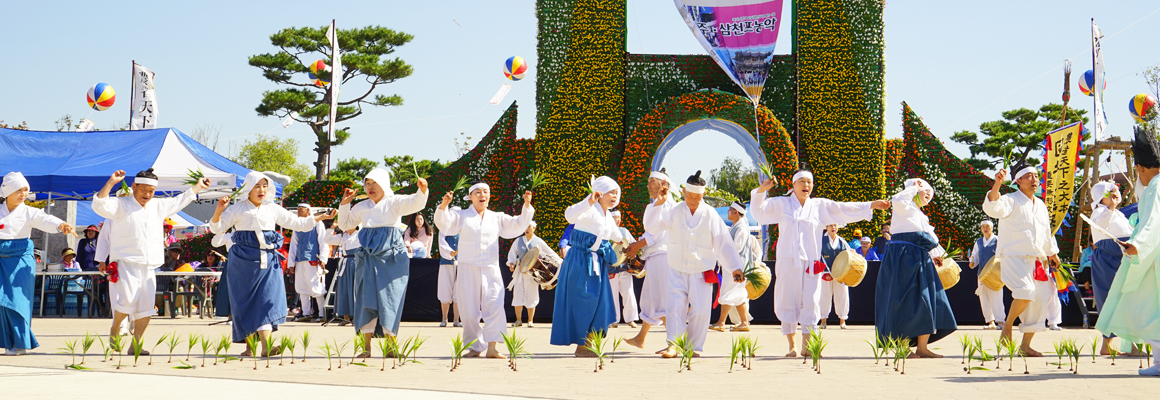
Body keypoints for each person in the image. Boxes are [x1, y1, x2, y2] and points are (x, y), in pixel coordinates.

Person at [750, 170, 889, 356]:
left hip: (811, 262)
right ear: (793, 185)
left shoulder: (819, 206)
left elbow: (842, 209)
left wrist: (870, 205)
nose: (806, 185)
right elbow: (759, 213)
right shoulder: (782, 203)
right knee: (787, 299)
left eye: (809, 182)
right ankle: (791, 347)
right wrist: (761, 191)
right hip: (787, 260)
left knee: (811, 300)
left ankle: (807, 347)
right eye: (801, 182)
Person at [210, 171, 332, 357]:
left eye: (265, 186)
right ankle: (250, 347)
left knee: (266, 301)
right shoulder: (237, 208)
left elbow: (297, 222)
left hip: (268, 262)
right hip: (243, 263)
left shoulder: (272, 208)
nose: (261, 190)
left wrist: (319, 217)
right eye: (257, 186)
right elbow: (217, 229)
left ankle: (266, 347)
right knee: (246, 302)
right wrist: (219, 209)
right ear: (249, 188)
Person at [93, 168, 208, 352]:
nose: (147, 194)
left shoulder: (157, 206)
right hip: (126, 263)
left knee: (146, 308)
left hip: (149, 265)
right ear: (134, 186)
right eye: (143, 189)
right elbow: (99, 205)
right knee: (127, 300)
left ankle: (136, 345)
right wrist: (111, 183)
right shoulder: (121, 205)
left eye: (151, 191)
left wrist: (197, 187)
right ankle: (115, 328)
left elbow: (179, 200)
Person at [646, 171, 746, 358]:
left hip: (701, 271)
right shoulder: (674, 210)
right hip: (676, 268)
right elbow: (652, 227)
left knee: (700, 312)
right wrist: (658, 204)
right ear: (684, 192)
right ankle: (673, 345)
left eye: (698, 197)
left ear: (702, 195)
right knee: (675, 308)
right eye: (690, 196)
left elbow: (723, 242)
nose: (693, 200)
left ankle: (694, 347)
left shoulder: (710, 214)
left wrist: (735, 267)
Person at [336, 168, 428, 357]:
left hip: (392, 258)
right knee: (366, 299)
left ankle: (391, 347)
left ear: (384, 184)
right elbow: (345, 225)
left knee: (391, 299)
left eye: (374, 183)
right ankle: (366, 348)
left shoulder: (394, 202)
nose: (370, 187)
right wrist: (345, 204)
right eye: (367, 184)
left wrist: (422, 189)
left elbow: (415, 202)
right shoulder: (362, 206)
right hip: (368, 257)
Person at [435, 182, 533, 359]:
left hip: (490, 267)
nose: (482, 195)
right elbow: (445, 224)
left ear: (489, 196)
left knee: (495, 305)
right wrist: (444, 206)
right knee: (469, 310)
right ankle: (474, 347)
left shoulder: (497, 217)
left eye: (486, 192)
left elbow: (517, 224)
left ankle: (493, 347)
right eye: (478, 192)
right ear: (470, 197)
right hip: (467, 268)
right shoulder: (462, 215)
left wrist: (526, 206)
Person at [982, 162, 1061, 357]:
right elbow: (992, 207)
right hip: (1013, 256)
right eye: (1029, 176)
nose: (1035, 180)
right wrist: (997, 184)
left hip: (1036, 259)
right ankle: (1007, 326)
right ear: (1018, 180)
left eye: (1036, 176)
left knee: (1040, 300)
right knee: (1025, 292)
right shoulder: (1010, 199)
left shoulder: (1040, 204)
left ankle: (1025, 346)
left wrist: (1052, 253)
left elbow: (1045, 232)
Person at [875, 178, 957, 358]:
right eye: (925, 190)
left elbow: (930, 237)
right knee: (903, 300)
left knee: (926, 300)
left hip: (921, 257)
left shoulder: (921, 216)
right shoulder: (903, 207)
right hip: (902, 257)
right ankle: (904, 347)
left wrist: (939, 255)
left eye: (931, 192)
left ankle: (922, 347)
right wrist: (912, 188)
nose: (928, 194)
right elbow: (897, 199)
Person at [0, 172, 74, 355]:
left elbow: (45, 219)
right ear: (7, 191)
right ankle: (7, 340)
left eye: (26, 190)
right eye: (19, 190)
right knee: (1, 301)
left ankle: (20, 343)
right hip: (1, 258)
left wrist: (61, 225)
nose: (23, 194)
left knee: (17, 301)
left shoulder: (29, 211)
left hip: (20, 261)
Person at [551, 176, 623, 357]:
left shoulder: (608, 217)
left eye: (616, 192)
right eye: (610, 192)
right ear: (599, 193)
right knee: (584, 301)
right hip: (580, 261)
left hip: (597, 264)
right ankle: (582, 346)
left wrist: (632, 246)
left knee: (601, 303)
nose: (614, 196)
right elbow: (569, 215)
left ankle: (589, 343)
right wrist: (588, 201)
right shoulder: (590, 210)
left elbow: (618, 237)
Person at [1087, 180, 1142, 355]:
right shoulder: (1099, 211)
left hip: (1124, 255)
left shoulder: (1117, 213)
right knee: (1110, 298)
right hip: (1107, 256)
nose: (1114, 194)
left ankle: (1130, 346)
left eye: (1116, 190)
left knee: (1129, 298)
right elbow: (1101, 223)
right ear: (1100, 197)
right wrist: (1111, 206)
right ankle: (1107, 345)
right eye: (1109, 192)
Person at [623, 170, 673, 350]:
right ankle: (641, 338)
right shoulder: (656, 204)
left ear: (663, 185)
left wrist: (637, 246)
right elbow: (650, 231)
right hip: (656, 255)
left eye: (652, 181)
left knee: (662, 301)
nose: (648, 185)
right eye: (648, 181)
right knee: (650, 300)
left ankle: (674, 343)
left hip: (663, 256)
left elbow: (657, 234)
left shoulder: (667, 205)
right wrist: (637, 244)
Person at [712, 201, 761, 332]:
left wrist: (723, 251)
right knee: (739, 296)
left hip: (736, 266)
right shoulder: (736, 227)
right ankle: (744, 322)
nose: (728, 212)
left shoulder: (741, 228)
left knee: (728, 292)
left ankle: (721, 322)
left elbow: (737, 247)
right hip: (734, 265)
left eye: (729, 210)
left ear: (736, 212)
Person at [506, 221, 560, 328]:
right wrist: (511, 264)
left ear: (534, 228)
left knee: (532, 295)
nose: (527, 229)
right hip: (520, 272)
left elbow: (549, 252)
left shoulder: (538, 241)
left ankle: (530, 321)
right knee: (518, 295)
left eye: (529, 226)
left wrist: (560, 261)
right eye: (526, 226)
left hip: (533, 273)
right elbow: (512, 254)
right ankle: (518, 320)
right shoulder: (518, 240)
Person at [288, 203, 331, 322]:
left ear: (308, 210)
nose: (298, 211)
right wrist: (291, 263)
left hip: (313, 260)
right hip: (300, 260)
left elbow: (323, 241)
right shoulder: (297, 226)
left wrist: (323, 259)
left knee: (316, 287)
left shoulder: (317, 223)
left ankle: (322, 314)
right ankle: (306, 313)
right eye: (297, 209)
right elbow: (293, 245)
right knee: (302, 287)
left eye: (300, 209)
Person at [968, 220, 1004, 330]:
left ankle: (1001, 321)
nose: (985, 228)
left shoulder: (998, 240)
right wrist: (972, 262)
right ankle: (990, 322)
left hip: (995, 274)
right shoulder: (979, 242)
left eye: (987, 226)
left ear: (992, 228)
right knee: (984, 297)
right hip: (982, 274)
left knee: (996, 297)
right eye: (983, 226)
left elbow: (1003, 255)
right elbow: (975, 256)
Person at [608, 210, 639, 329]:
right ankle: (613, 320)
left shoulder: (624, 231)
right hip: (610, 268)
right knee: (612, 294)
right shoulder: (606, 231)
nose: (618, 220)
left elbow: (633, 244)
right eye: (616, 217)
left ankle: (631, 319)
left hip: (624, 267)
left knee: (628, 292)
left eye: (619, 217)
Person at [324, 226, 360, 326]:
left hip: (357, 263)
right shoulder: (343, 235)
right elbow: (327, 240)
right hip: (345, 263)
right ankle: (345, 317)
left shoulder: (360, 234)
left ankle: (357, 318)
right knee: (343, 289)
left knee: (355, 289)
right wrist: (331, 228)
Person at [818, 224, 851, 329]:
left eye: (835, 226)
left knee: (842, 295)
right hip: (825, 273)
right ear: (826, 227)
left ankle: (842, 320)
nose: (833, 228)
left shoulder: (842, 241)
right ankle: (823, 320)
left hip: (840, 273)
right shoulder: (820, 240)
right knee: (824, 296)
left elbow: (849, 255)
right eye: (831, 226)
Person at [437, 228, 461, 327]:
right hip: (446, 263)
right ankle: (444, 318)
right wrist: (449, 252)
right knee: (445, 289)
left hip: (461, 263)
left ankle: (456, 320)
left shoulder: (462, 228)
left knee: (459, 291)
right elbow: (441, 242)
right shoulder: (444, 228)